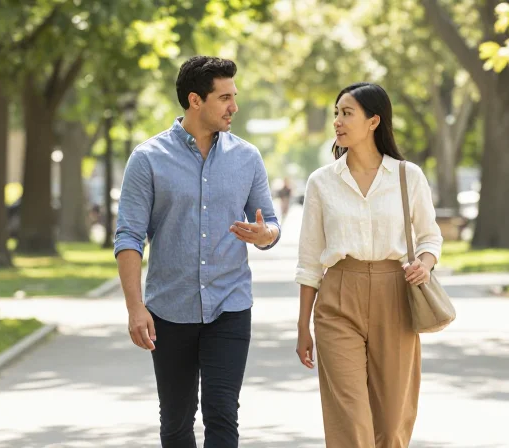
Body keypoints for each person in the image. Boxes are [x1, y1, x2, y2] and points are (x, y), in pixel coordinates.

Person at [114, 55, 281, 448]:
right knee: (175, 420)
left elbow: (271, 224)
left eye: (233, 96)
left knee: (222, 413)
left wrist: (263, 234)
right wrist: (135, 307)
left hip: (230, 304)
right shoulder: (148, 159)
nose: (233, 107)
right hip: (170, 309)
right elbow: (128, 238)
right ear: (195, 100)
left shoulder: (247, 157)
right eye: (224, 97)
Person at [295, 82, 443, 448]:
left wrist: (425, 264)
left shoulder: (408, 176)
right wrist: (302, 325)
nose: (338, 122)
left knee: (392, 424)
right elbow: (310, 259)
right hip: (338, 297)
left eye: (347, 113)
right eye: (336, 114)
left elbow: (430, 237)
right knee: (350, 419)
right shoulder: (322, 182)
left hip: (396, 295)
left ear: (374, 121)